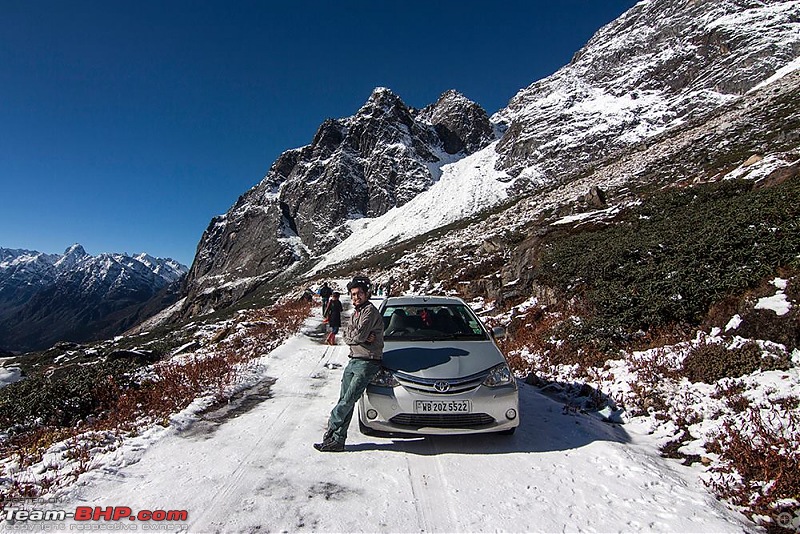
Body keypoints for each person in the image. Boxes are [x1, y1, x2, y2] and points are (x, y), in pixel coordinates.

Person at [314, 276, 384, 452]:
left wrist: (356, 337)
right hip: (354, 359)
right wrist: (356, 337)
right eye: (353, 295)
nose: (355, 297)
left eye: (359, 293)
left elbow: (357, 336)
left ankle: (331, 428)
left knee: (348, 399)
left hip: (368, 361)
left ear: (366, 293)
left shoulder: (369, 312)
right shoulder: (356, 313)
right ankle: (338, 441)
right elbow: (347, 336)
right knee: (345, 399)